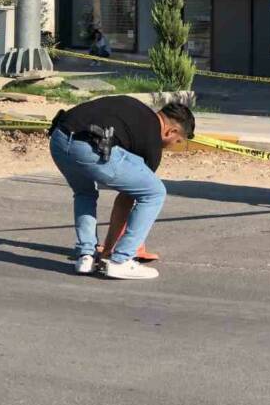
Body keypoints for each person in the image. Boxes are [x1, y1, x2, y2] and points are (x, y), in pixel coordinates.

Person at [48, 96, 195, 279]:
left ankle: (86, 256)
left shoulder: (134, 108)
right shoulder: (152, 144)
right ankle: (121, 260)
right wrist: (109, 251)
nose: (173, 146)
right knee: (155, 193)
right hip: (89, 147)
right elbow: (126, 200)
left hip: (59, 139)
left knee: (84, 193)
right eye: (178, 141)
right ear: (171, 131)